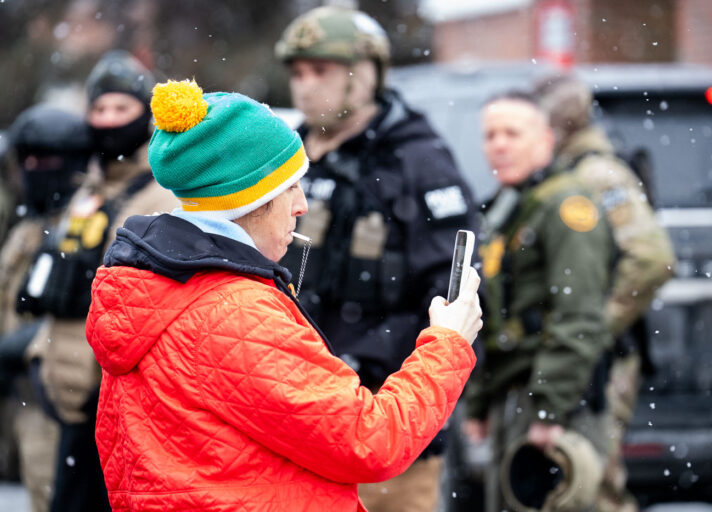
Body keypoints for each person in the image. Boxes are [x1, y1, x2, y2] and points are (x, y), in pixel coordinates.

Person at [84, 78, 483, 512]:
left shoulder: (152, 282)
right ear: (249, 199)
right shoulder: (232, 311)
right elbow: (370, 440)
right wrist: (449, 344)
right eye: (290, 187)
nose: (303, 205)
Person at [275, 7, 479, 509]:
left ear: (364, 73)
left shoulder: (417, 160)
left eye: (320, 70)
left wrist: (364, 360)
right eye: (297, 72)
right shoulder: (287, 154)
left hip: (384, 422)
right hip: (293, 419)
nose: (304, 87)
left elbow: (453, 298)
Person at [20, 50, 177, 512]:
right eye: (99, 109)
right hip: (57, 388)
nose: (108, 121)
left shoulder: (162, 190)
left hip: (113, 399)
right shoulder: (86, 190)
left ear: (144, 116)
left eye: (121, 110)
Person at [463, 92, 616, 512]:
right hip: (512, 397)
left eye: (513, 133)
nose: (499, 144)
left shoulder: (567, 206)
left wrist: (549, 410)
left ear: (546, 140)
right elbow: (493, 316)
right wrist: (477, 402)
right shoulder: (508, 208)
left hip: (554, 400)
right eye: (490, 134)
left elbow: (578, 315)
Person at [534, 74, 676, 512]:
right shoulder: (569, 171)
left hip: (600, 357)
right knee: (573, 481)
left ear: (556, 124)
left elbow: (651, 259)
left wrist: (596, 324)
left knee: (593, 484)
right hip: (581, 352)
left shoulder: (596, 173)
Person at [0, 104, 91, 512]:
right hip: (14, 397)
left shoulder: (83, 225)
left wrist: (21, 346)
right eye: (28, 160)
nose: (35, 170)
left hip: (51, 398)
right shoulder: (25, 227)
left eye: (47, 160)